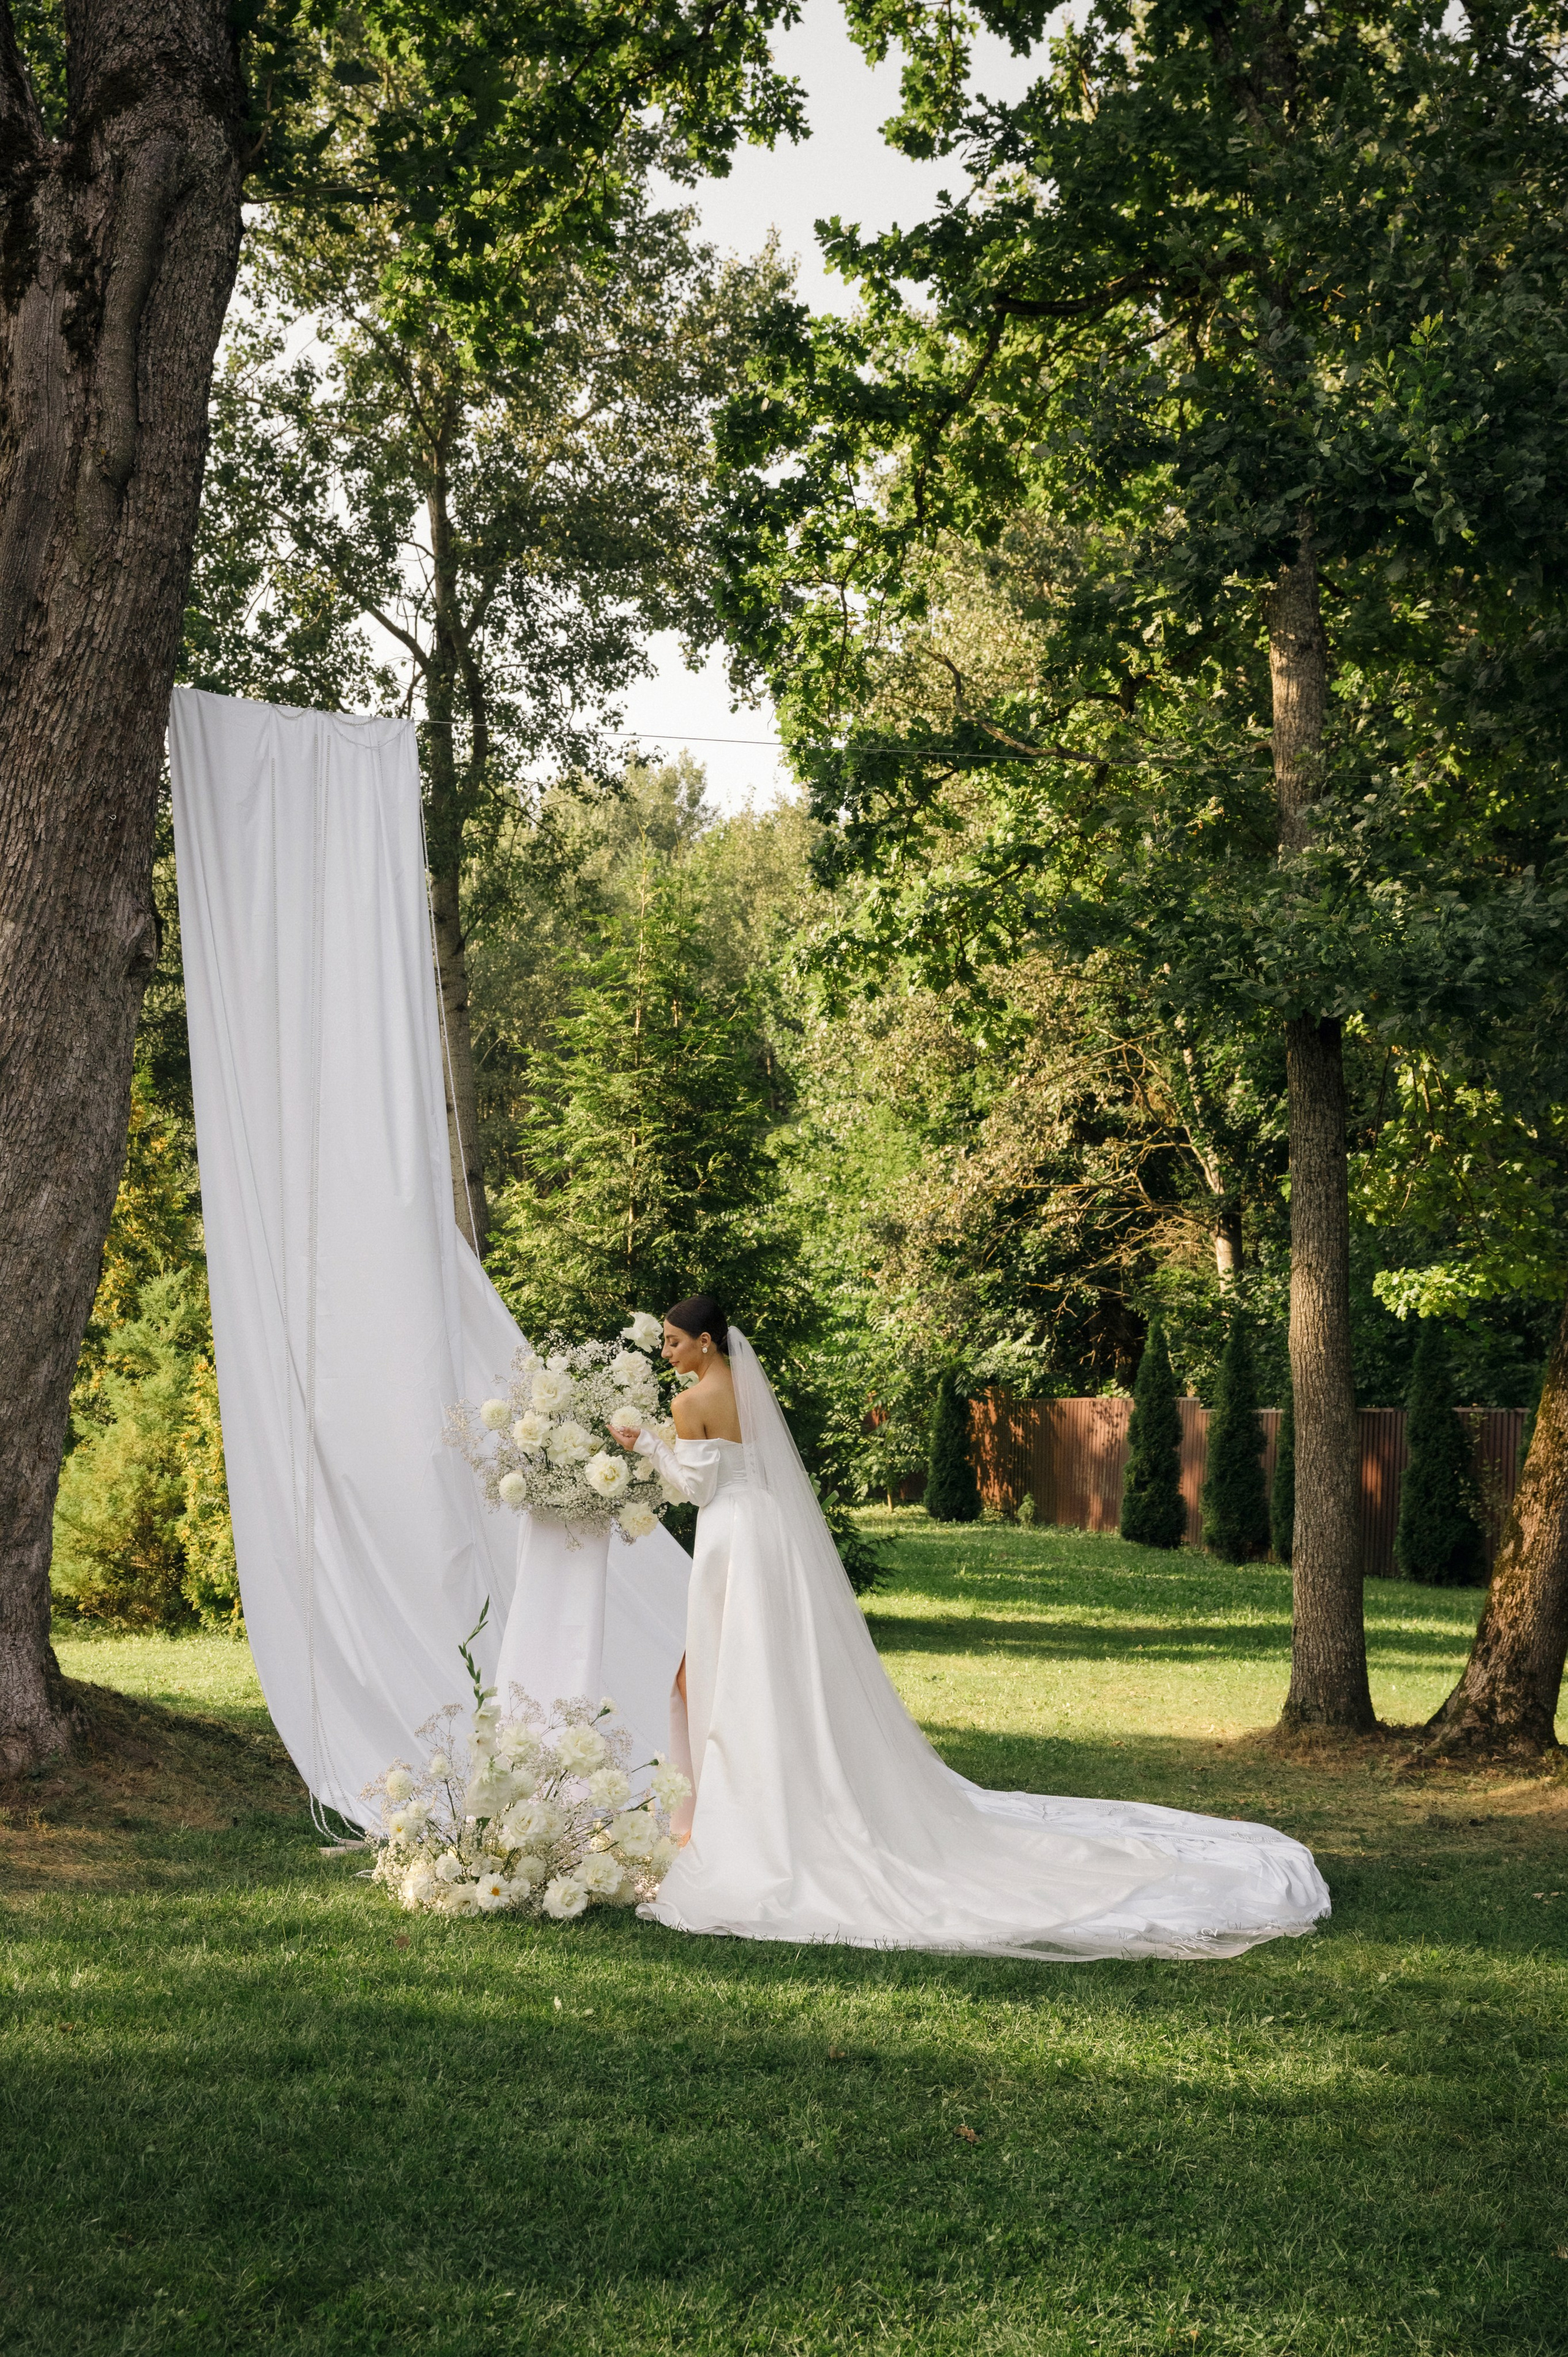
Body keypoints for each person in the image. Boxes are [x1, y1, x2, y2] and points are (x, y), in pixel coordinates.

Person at [611, 1295, 1330, 1962]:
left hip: (731, 1536)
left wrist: (643, 1444)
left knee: (733, 1662)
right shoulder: (746, 1387)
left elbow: (695, 1486)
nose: (667, 1353)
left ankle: (752, 1803)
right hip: (770, 1535)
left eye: (674, 1343)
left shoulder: (689, 1399)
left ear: (704, 1341)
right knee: (773, 1659)